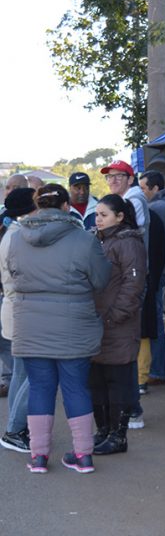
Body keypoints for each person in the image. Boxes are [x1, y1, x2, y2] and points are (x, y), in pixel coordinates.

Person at [3, 184, 111, 474]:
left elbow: (13, 277)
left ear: (38, 206)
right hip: (73, 325)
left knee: (40, 387)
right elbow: (101, 280)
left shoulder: (16, 239)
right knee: (76, 387)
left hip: (31, 324)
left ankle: (38, 457)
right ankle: (83, 456)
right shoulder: (83, 240)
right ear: (66, 206)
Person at [91, 195, 146, 455]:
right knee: (98, 382)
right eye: (97, 214)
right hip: (99, 323)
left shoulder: (128, 243)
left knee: (118, 383)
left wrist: (114, 315)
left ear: (120, 216)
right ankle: (103, 431)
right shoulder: (100, 241)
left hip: (118, 324)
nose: (98, 219)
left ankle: (118, 436)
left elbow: (133, 285)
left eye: (104, 215)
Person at [0, 188, 37, 453]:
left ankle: (16, 427)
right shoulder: (18, 237)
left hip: (16, 311)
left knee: (21, 374)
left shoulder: (13, 234)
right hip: (21, 312)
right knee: (34, 376)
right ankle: (14, 430)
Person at [140, 170, 165, 386]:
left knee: (153, 322)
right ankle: (157, 370)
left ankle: (157, 371)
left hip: (157, 272)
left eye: (143, 188)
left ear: (155, 188)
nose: (141, 192)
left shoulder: (155, 208)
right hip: (162, 270)